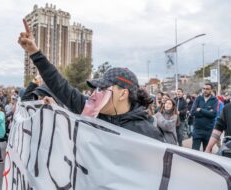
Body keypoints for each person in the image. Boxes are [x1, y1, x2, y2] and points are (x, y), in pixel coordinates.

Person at [17, 31, 164, 141]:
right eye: (96, 88)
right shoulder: (91, 112)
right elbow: (60, 85)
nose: (96, 93)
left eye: (103, 89)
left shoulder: (148, 134)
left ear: (123, 94)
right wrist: (34, 52)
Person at [191, 84, 218, 151]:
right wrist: (207, 112)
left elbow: (213, 114)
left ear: (211, 90)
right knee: (194, 152)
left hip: (208, 130)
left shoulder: (214, 100)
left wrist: (200, 110)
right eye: (204, 88)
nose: (205, 90)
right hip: (197, 130)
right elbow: (193, 112)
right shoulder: (198, 99)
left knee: (207, 153)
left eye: (207, 89)